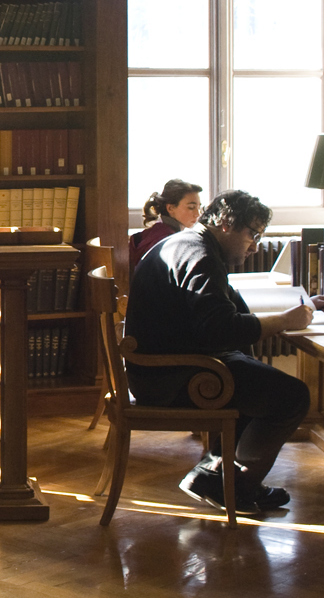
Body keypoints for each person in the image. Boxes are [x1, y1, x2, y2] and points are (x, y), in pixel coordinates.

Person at [124, 190, 312, 514]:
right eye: (252, 234)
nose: (254, 245)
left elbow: (225, 311)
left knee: (254, 376)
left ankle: (218, 477)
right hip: (168, 376)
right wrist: (283, 321)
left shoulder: (191, 243)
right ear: (226, 223)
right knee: (292, 396)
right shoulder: (201, 255)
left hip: (165, 368)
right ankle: (234, 484)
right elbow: (220, 329)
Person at [129, 179, 203, 267]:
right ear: (171, 208)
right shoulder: (165, 239)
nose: (197, 214)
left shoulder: (157, 232)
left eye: (199, 208)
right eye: (191, 207)